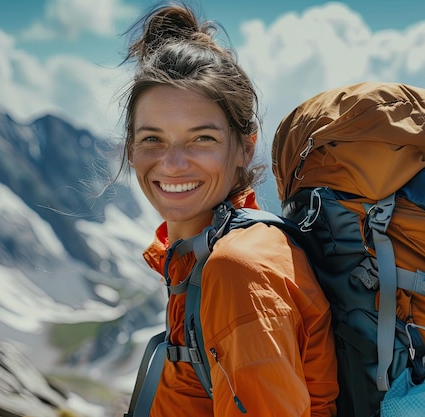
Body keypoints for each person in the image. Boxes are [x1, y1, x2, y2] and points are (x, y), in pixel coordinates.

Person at [117, 3, 339, 416]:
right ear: (131, 150)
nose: (173, 163)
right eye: (152, 139)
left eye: (201, 139)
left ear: (245, 148)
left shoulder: (236, 270)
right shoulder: (201, 258)